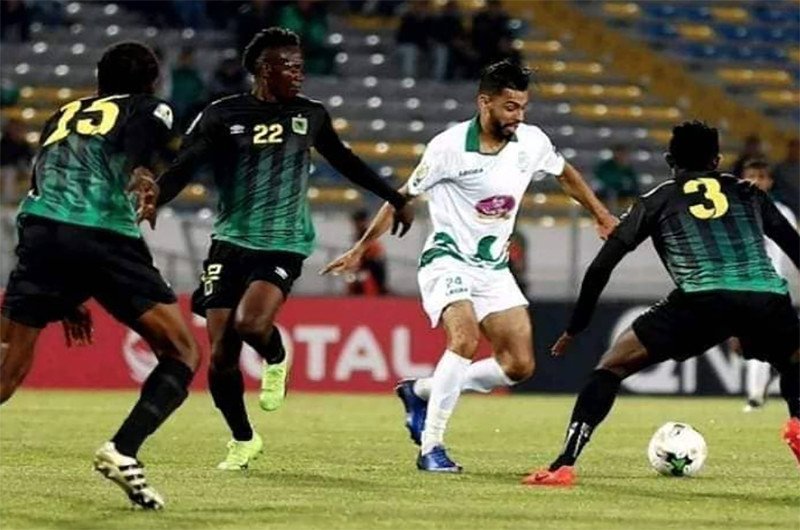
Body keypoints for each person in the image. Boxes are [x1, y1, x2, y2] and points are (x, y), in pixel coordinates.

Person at [322, 60, 617, 472]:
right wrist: (361, 248)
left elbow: (564, 174)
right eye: (510, 107)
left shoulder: (531, 141)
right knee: (463, 338)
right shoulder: (448, 148)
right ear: (485, 102)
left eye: (523, 107)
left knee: (518, 365)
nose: (518, 116)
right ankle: (431, 447)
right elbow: (401, 197)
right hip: (447, 260)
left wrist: (600, 214)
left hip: (493, 269)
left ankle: (421, 392)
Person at [153, 27, 414, 471]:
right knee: (221, 356)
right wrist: (154, 199)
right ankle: (242, 439)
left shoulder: (310, 115)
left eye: (300, 66)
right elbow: (185, 166)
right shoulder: (222, 114)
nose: (298, 73)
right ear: (262, 69)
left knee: (252, 324)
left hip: (283, 241)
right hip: (229, 241)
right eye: (288, 66)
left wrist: (393, 196)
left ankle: (276, 356)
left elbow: (345, 160)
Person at [526, 121, 800, 487]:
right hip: (767, 296)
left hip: (701, 299)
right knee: (793, 363)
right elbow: (796, 249)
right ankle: (798, 424)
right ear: (717, 161)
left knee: (611, 367)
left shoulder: (657, 199)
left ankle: (564, 464)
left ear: (670, 160)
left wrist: (575, 327)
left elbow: (601, 267)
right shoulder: (750, 193)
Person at [0, 42, 200, 509]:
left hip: (40, 231)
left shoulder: (64, 114)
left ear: (99, 78)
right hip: (102, 234)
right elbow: (139, 142)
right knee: (183, 351)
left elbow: (44, 179)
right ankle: (122, 450)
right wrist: (142, 171)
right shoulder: (152, 107)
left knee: (8, 370)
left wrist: (68, 293)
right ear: (152, 82)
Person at [735, 159, 797, 412]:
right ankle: (758, 393)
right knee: (758, 343)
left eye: (761, 176)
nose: (756, 181)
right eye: (751, 176)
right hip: (739, 285)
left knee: (762, 342)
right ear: (741, 178)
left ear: (770, 181)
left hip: (771, 286)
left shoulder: (782, 211)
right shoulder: (731, 209)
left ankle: (756, 395)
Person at [346, 209, 389, 296]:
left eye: (359, 222)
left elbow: (374, 251)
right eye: (355, 222)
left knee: (367, 276)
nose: (356, 225)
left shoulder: (368, 234)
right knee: (354, 279)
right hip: (362, 263)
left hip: (371, 262)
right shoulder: (357, 235)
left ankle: (381, 289)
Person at [593, 144, 639, 212]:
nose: (621, 156)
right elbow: (604, 179)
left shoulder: (627, 168)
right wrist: (620, 182)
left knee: (636, 194)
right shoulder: (606, 166)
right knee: (611, 192)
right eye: (619, 153)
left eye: (623, 153)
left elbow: (633, 182)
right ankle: (611, 212)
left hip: (623, 191)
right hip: (607, 191)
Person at [772, 138, 800, 215]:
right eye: (793, 148)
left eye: (797, 149)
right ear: (789, 149)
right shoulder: (780, 168)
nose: (795, 151)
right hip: (784, 205)